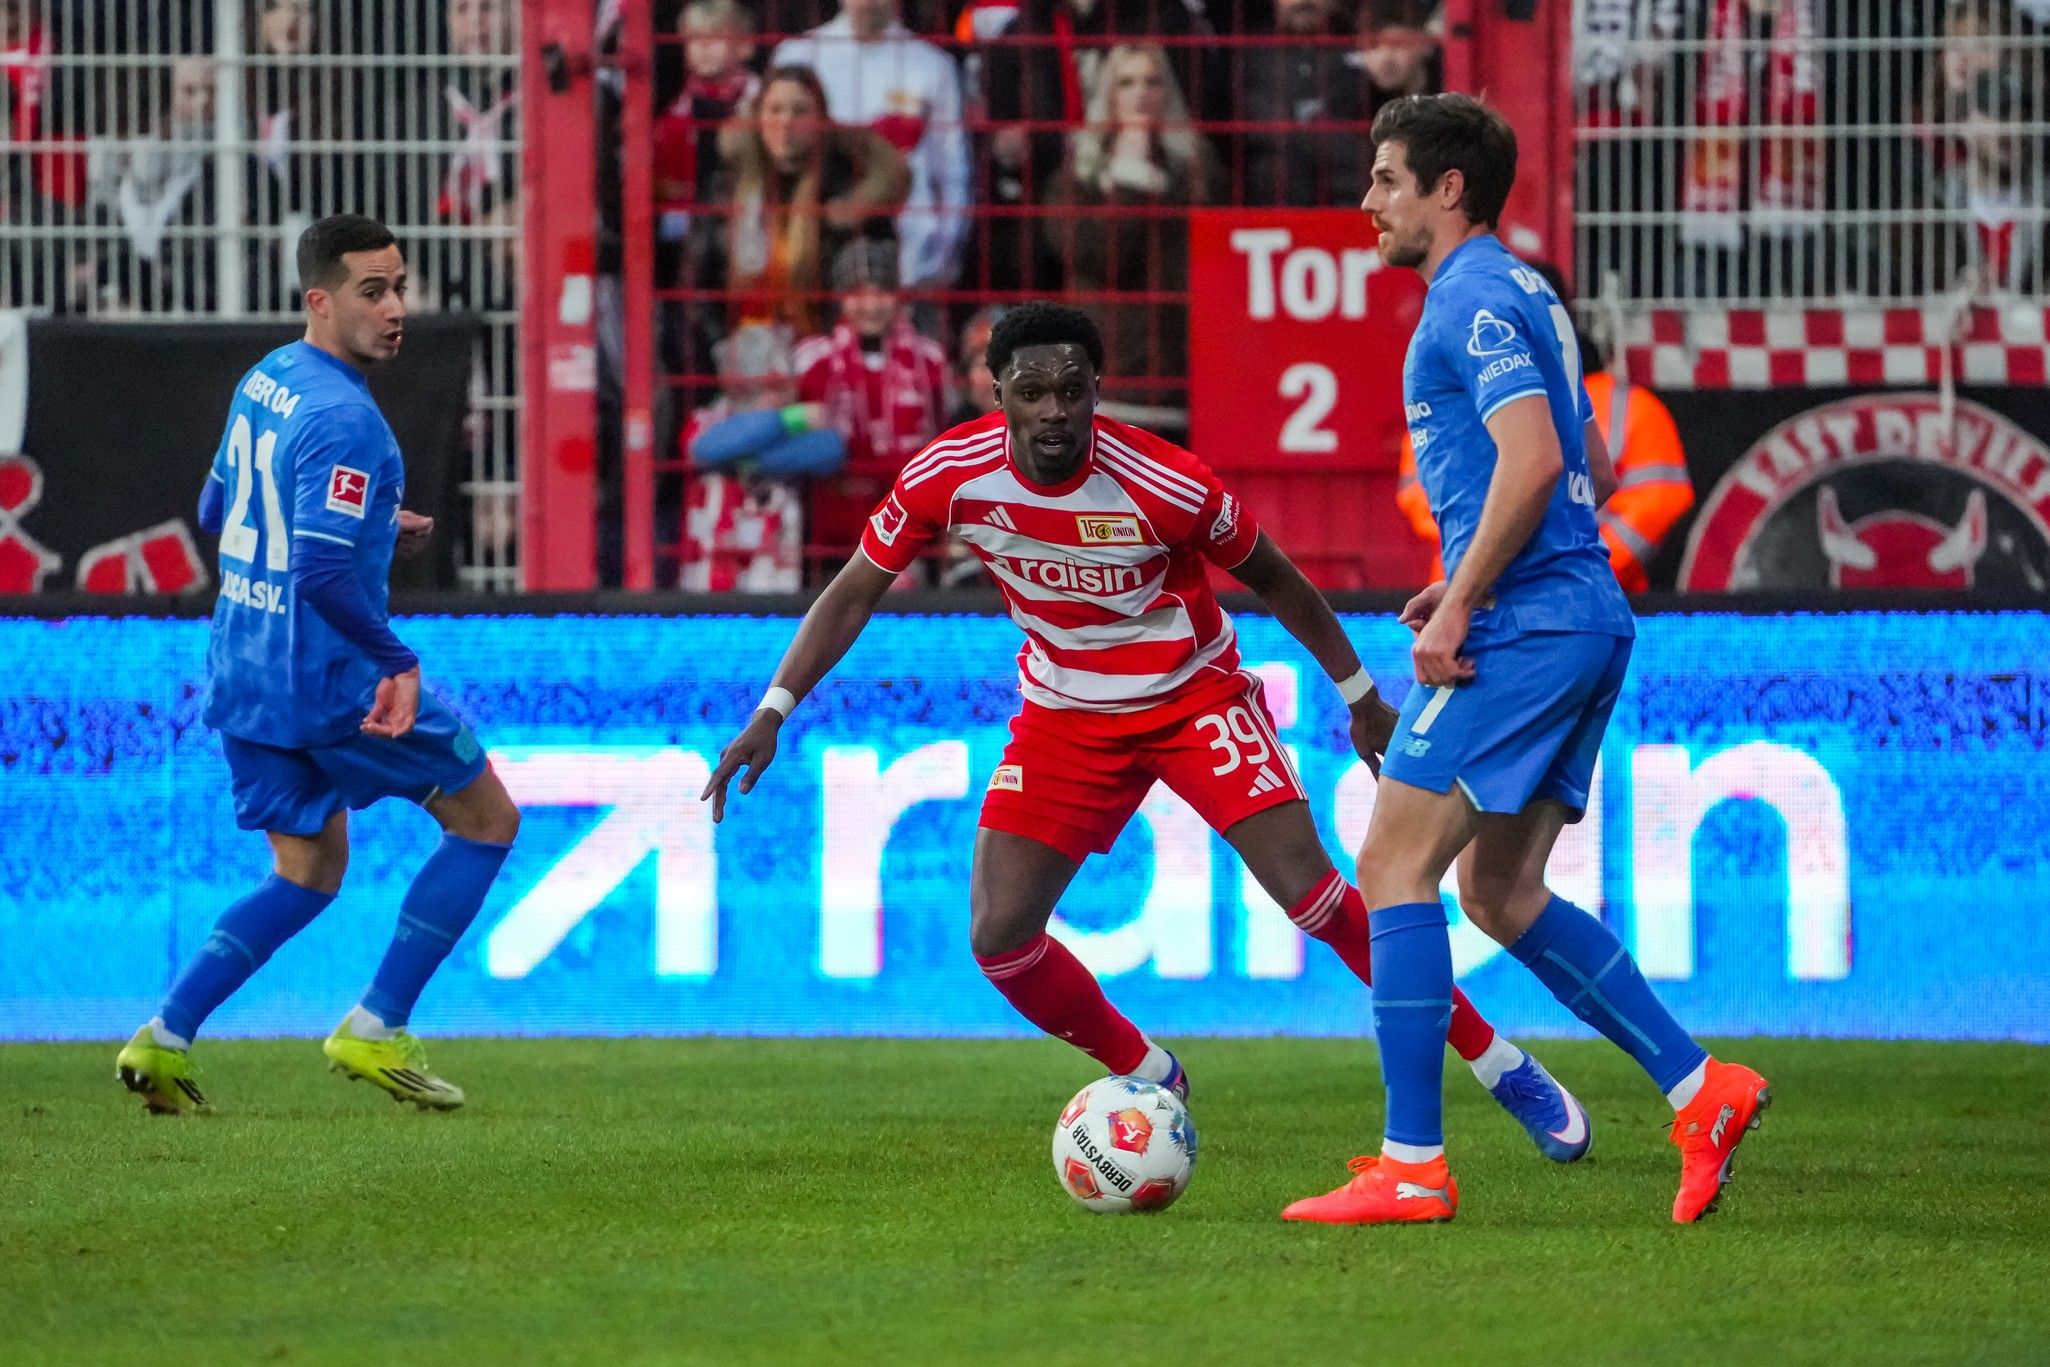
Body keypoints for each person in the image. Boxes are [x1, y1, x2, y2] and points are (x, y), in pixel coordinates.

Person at [702, 301, 1593, 1163]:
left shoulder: (1164, 480)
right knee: (999, 937)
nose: (1055, 410)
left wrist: (1359, 693)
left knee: (1314, 895)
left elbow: (1276, 577)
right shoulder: (946, 473)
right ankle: (1150, 1073)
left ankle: (1497, 1060)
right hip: (1065, 712)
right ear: (998, 393)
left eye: (1073, 390)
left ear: (1097, 390)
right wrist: (771, 711)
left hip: (1191, 698)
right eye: (1033, 390)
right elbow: (855, 587)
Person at [1282, 95, 1768, 1228]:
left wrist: (1462, 598)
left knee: (1389, 863)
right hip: (1574, 612)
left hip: (1526, 624)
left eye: (1387, 179)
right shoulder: (1525, 290)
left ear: (1447, 188)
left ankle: (1411, 1163)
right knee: (1496, 892)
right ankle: (1701, 1087)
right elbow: (1567, 453)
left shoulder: (1469, 295)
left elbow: (1539, 456)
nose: (1369, 202)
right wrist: (1467, 572)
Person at [113, 214, 522, 1115]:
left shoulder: (268, 379)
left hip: (243, 674)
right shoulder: (351, 424)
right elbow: (323, 570)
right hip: (330, 683)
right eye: (372, 292)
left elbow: (218, 509)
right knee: (488, 819)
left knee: (307, 872)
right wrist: (396, 656)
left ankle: (165, 1037)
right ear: (320, 300)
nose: (396, 309)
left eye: (401, 287)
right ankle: (378, 1024)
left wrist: (377, 522)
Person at [1397, 261, 1693, 592]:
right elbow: (1419, 496)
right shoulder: (1445, 395)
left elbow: (1659, 500)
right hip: (1482, 603)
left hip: (1538, 601)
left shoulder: (1629, 407)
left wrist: (1569, 568)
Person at [1042, 44, 1216, 432]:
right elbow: (1102, 258)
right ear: (1109, 95)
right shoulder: (1077, 180)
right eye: (1126, 82)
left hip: (1184, 383)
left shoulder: (1199, 174)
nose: (1140, 92)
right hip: (1110, 384)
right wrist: (1131, 179)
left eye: (1152, 82)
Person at [772, 0, 972, 300]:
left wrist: (941, 261)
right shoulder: (797, 56)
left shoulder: (932, 65)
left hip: (910, 267)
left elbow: (953, 173)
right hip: (812, 263)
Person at [703, 64, 911, 335]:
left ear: (820, 119)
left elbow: (871, 290)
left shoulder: (852, 189)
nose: (786, 122)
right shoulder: (730, 183)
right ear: (757, 116)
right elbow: (704, 282)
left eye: (799, 111)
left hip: (826, 348)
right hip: (743, 344)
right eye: (775, 110)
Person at [794, 237, 954, 568]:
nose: (871, 305)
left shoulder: (929, 360)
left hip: (912, 525)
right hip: (833, 530)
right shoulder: (812, 360)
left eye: (881, 292)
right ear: (840, 298)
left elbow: (942, 433)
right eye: (858, 293)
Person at [680, 322, 846, 591]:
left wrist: (746, 459)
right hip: (713, 563)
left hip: (775, 566)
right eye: (770, 387)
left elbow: (831, 449)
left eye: (783, 386)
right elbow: (703, 449)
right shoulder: (711, 417)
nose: (783, 395)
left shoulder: (792, 423)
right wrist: (782, 421)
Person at [1234, 0, 1372, 209]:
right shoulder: (1253, 53)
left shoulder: (1357, 46)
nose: (1304, 2)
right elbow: (1255, 116)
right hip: (1283, 161)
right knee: (1274, 171)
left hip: (1345, 161)